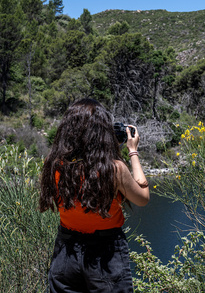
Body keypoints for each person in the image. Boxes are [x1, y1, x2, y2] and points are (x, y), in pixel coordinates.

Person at [39, 98, 149, 293]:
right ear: (101, 133)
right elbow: (142, 198)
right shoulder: (114, 169)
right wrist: (133, 152)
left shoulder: (53, 164)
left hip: (66, 250)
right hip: (106, 253)